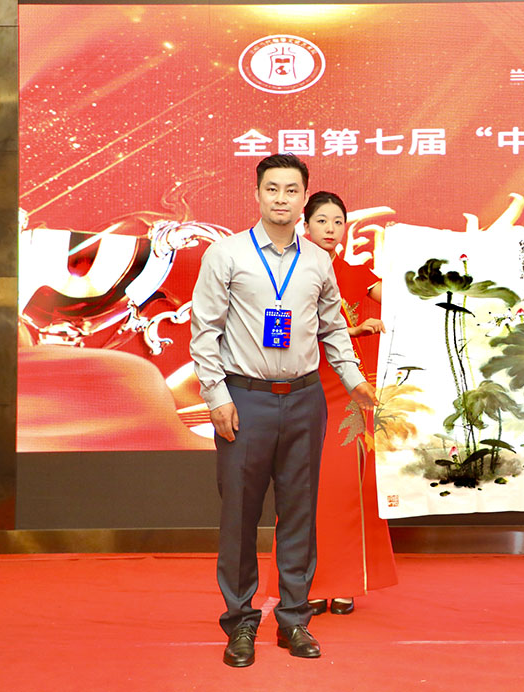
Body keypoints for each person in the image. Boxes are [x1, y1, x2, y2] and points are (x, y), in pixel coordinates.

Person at [190, 154, 376, 667]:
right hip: (244, 399)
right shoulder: (226, 254)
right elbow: (205, 332)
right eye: (272, 188)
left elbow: (333, 328)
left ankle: (294, 619)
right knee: (240, 515)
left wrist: (355, 381)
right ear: (256, 194)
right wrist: (216, 397)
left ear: (303, 198)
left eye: (291, 190)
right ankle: (240, 622)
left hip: (304, 399)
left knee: (299, 512)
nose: (280, 198)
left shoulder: (317, 260)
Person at [263, 191, 398, 616]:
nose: (331, 229)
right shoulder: (284, 272)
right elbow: (274, 335)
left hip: (349, 395)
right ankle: (306, 583)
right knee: (303, 489)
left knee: (348, 490)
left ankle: (345, 583)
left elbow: (409, 299)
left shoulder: (356, 274)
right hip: (302, 388)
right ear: (305, 226)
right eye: (322, 221)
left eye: (338, 222)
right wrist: (350, 332)